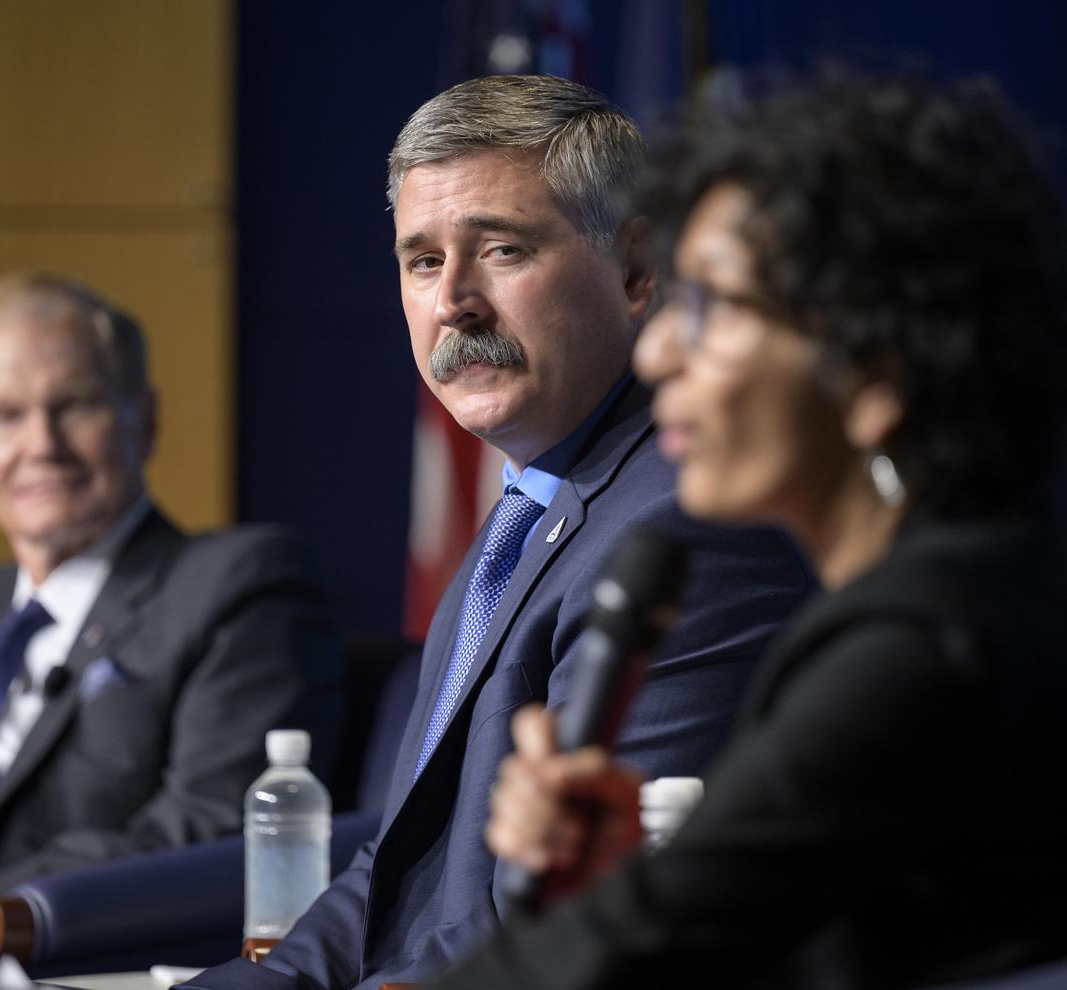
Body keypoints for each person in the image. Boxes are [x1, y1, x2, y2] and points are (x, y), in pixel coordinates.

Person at [439, 72, 1067, 989]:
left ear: (874, 372)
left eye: (717, 306)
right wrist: (611, 881)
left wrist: (623, 911)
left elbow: (649, 943)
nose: (660, 350)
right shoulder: (973, 591)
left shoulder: (923, 646)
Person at [183, 74, 812, 990]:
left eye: (502, 250)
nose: (454, 301)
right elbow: (399, 877)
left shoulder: (685, 533)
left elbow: (571, 906)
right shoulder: (530, 515)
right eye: (422, 261)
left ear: (637, 271)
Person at [0, 271, 343, 989]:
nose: (41, 444)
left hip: (25, 964)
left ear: (145, 418)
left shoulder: (242, 583)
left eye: (74, 405)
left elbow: (209, 833)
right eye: (4, 416)